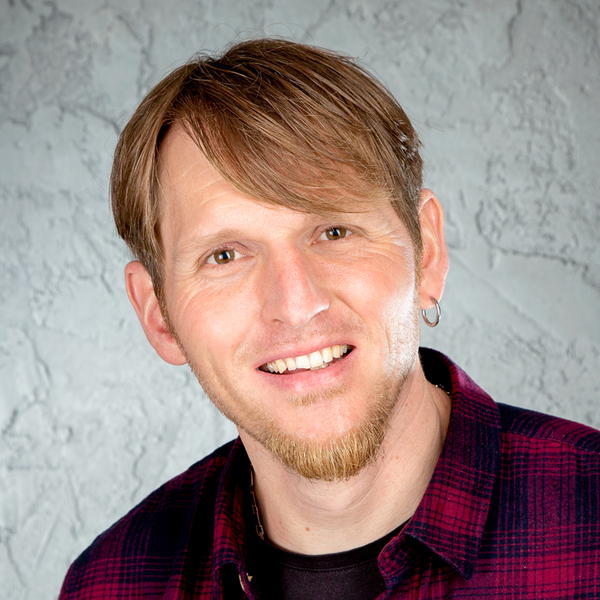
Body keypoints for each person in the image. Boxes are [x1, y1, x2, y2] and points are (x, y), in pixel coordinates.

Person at [59, 38, 600, 599]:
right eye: (225, 256)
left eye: (334, 232)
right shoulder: (108, 585)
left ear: (427, 252)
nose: (296, 304)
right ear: (159, 315)